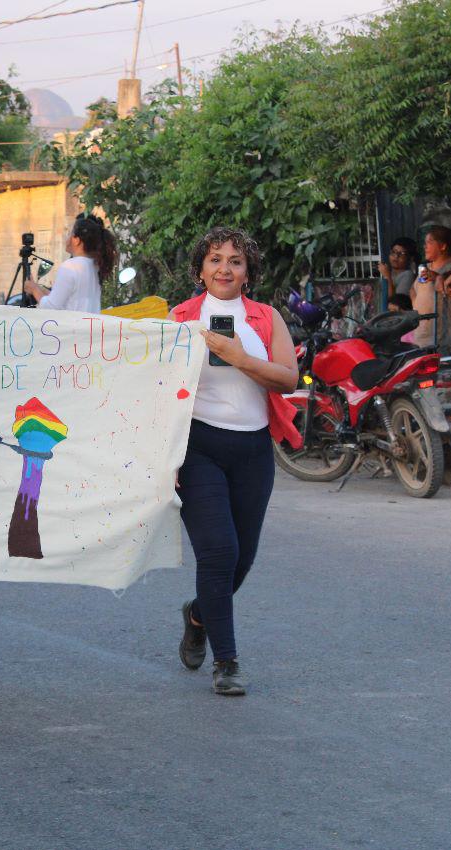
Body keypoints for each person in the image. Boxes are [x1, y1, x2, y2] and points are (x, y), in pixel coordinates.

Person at [169, 227, 299, 696]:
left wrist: (238, 357)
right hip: (198, 447)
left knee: (241, 560)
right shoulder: (181, 317)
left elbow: (288, 379)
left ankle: (199, 615)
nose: (224, 268)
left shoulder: (266, 319)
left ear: (248, 271)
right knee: (218, 552)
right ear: (200, 267)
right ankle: (227, 662)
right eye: (215, 259)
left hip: (253, 450)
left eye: (235, 261)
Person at [23, 212, 117, 312]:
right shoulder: (94, 265)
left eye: (70, 233)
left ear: (77, 240)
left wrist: (34, 290)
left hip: (73, 327)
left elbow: (51, 307)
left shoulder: (70, 266)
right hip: (89, 326)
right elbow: (70, 301)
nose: (66, 237)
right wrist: (40, 289)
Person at [410, 226, 451, 350]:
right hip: (421, 329)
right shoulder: (425, 267)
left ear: (442, 246)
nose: (425, 246)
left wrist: (437, 277)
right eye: (425, 243)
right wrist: (415, 306)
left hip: (442, 334)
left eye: (429, 242)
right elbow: (412, 289)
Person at [377, 237, 418, 306]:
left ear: (410, 258)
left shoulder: (408, 275)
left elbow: (395, 303)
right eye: (394, 252)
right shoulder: (388, 272)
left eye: (402, 253)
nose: (396, 256)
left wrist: (387, 276)